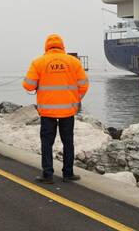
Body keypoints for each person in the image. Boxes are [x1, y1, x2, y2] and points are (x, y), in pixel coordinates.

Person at [22, 34, 89, 184]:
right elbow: (84, 85)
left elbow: (28, 85)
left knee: (47, 142)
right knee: (68, 142)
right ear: (62, 46)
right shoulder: (73, 62)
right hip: (68, 111)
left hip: (47, 112)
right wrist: (75, 100)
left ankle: (47, 175)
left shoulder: (38, 62)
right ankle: (68, 174)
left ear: (46, 47)